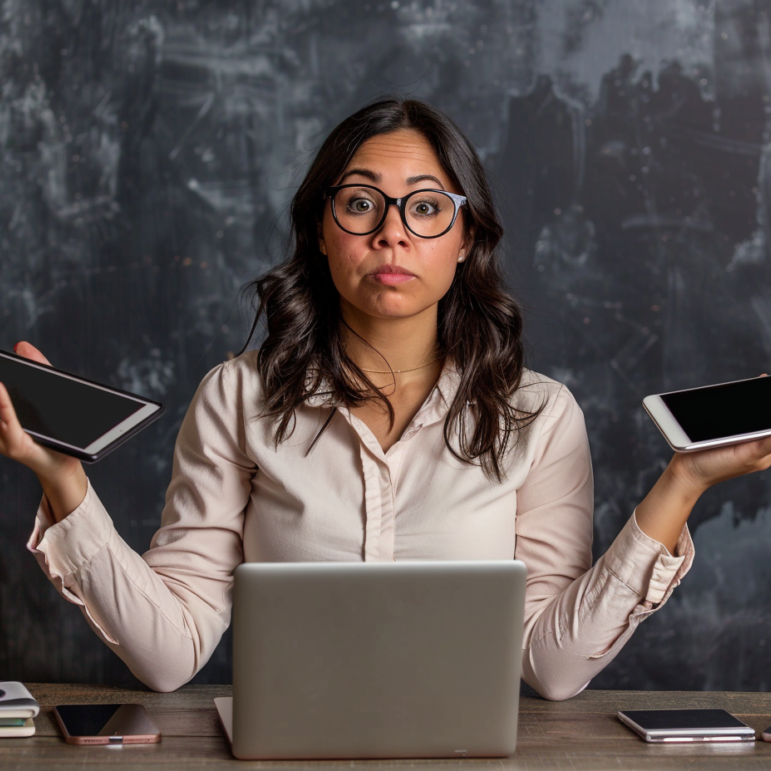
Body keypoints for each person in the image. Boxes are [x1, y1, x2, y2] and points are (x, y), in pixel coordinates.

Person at [1, 98, 770, 699]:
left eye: (426, 206)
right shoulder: (237, 397)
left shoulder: (539, 415)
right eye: (361, 204)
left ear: (465, 238)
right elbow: (170, 656)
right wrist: (63, 478)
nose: (392, 234)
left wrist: (684, 481)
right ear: (321, 231)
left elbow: (552, 666)